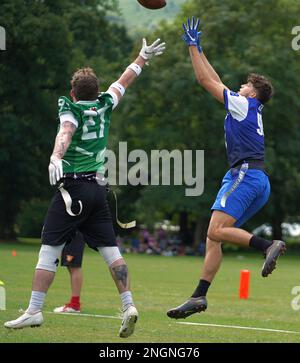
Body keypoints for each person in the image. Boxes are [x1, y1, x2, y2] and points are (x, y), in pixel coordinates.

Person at [4, 37, 166, 338]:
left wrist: (56, 155)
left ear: (72, 92)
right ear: (96, 90)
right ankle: (128, 304)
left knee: (49, 248)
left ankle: (34, 310)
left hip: (73, 190)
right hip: (98, 190)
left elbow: (66, 131)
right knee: (110, 250)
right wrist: (142, 57)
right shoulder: (106, 103)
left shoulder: (72, 109)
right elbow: (124, 81)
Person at [167, 17, 286, 320]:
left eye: (245, 85)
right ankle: (198, 297)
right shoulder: (249, 107)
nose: (240, 86)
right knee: (214, 237)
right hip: (256, 179)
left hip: (244, 176)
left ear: (253, 93)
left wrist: (192, 48)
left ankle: (267, 245)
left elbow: (206, 82)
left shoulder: (243, 104)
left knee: (216, 229)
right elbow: (216, 78)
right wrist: (201, 50)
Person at [53, 231, 85, 313]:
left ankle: (74, 305)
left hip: (74, 232)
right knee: (71, 266)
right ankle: (74, 304)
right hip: (70, 232)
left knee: (74, 266)